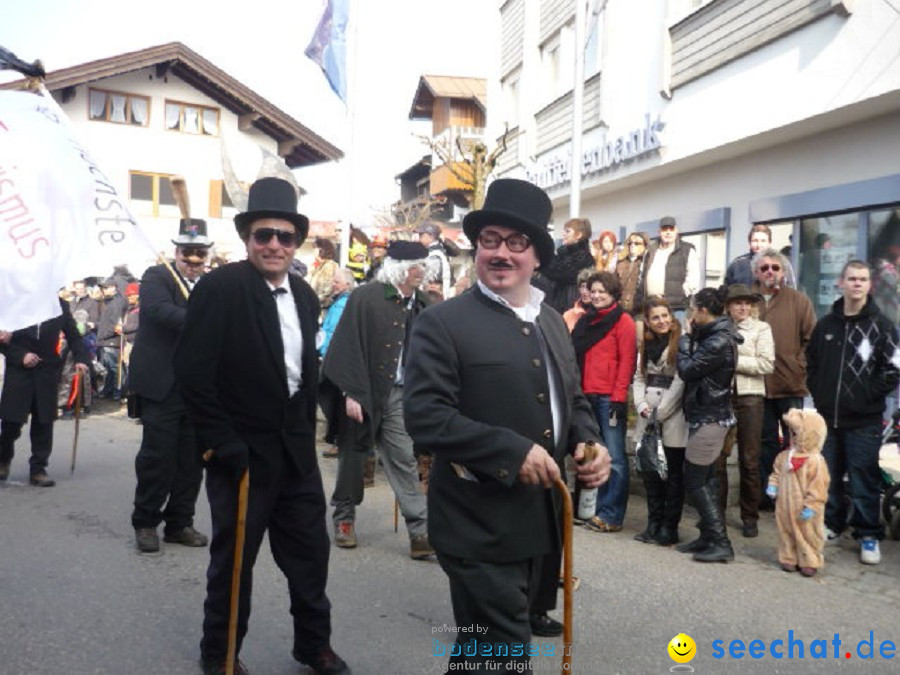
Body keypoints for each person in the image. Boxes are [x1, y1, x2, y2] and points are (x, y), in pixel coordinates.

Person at [404, 178, 610, 672]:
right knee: (503, 650)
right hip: (477, 523)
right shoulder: (442, 322)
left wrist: (589, 441)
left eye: (516, 243)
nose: (501, 253)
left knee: (481, 655)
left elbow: (573, 398)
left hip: (540, 521)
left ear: (537, 256)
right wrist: (509, 451)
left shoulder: (552, 322)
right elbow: (425, 416)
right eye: (490, 241)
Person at [174, 177, 351, 675]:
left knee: (311, 556)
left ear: (297, 243)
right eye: (263, 235)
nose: (274, 244)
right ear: (248, 238)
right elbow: (193, 373)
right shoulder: (219, 288)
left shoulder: (303, 294)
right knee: (234, 563)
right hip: (241, 453)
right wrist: (221, 442)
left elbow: (301, 373)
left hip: (296, 451)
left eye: (285, 236)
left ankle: (313, 644)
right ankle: (222, 653)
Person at [321, 241, 432, 559]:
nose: (421, 272)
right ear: (399, 268)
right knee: (353, 458)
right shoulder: (365, 297)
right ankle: (344, 519)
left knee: (403, 458)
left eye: (423, 266)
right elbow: (346, 345)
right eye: (416, 266)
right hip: (363, 391)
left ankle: (419, 530)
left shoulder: (422, 303)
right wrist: (352, 392)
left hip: (398, 394)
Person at [806, 260, 900, 565]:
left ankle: (868, 534)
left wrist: (866, 396)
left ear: (869, 285)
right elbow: (812, 363)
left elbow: (894, 367)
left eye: (862, 279)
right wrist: (819, 394)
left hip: (864, 421)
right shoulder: (826, 325)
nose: (857, 284)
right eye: (852, 278)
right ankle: (833, 523)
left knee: (863, 479)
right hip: (828, 419)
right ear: (841, 283)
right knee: (830, 477)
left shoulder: (883, 326)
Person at [129, 219, 213, 554]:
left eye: (199, 255)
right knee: (157, 458)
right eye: (186, 254)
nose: (192, 262)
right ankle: (146, 522)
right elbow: (159, 312)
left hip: (197, 389)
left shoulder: (209, 284)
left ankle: (179, 523)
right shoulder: (156, 276)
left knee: (192, 462)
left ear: (206, 256)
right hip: (161, 385)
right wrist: (207, 321)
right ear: (175, 252)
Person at [675, 286, 739, 563]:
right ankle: (707, 536)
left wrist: (685, 338)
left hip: (712, 417)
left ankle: (721, 542)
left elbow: (687, 370)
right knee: (707, 478)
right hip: (706, 414)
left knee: (695, 479)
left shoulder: (718, 341)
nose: (690, 314)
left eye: (692, 309)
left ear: (702, 310)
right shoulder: (714, 335)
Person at [572, 270, 637, 533]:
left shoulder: (623, 321)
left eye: (603, 292)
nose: (597, 295)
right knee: (589, 457)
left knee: (615, 458)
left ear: (613, 295)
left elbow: (627, 362)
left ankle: (611, 514)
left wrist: (618, 398)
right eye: (594, 290)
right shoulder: (585, 321)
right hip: (585, 395)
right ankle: (591, 509)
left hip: (609, 397)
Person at [751, 248, 817, 509]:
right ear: (756, 271)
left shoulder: (799, 301)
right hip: (758, 385)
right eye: (765, 267)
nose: (770, 272)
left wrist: (799, 364)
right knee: (765, 442)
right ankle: (768, 496)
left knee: (796, 442)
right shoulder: (747, 300)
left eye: (775, 267)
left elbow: (811, 340)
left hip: (790, 384)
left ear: (783, 271)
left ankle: (795, 495)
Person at [0, 299, 89, 486]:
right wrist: (20, 355)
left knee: (44, 420)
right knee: (11, 422)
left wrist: (82, 359)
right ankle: (3, 460)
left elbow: (73, 336)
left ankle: (38, 468)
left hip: (47, 370)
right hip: (19, 371)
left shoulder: (59, 305)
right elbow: (2, 341)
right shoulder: (15, 301)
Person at [715, 284, 774, 538]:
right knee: (717, 459)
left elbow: (766, 363)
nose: (742, 307)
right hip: (722, 397)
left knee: (749, 460)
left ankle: (749, 516)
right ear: (728, 306)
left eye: (747, 303)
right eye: (737, 303)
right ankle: (715, 514)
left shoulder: (761, 328)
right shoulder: (720, 326)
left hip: (750, 397)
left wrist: (734, 360)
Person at [632, 296, 687, 546]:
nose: (661, 321)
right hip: (648, 413)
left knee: (673, 475)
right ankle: (653, 523)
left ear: (672, 318)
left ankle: (669, 527)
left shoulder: (682, 343)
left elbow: (680, 380)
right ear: (648, 322)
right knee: (650, 471)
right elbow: (638, 377)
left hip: (672, 414)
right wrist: (641, 405)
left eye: (665, 316)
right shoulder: (645, 344)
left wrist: (661, 411)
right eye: (656, 317)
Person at [766, 408, 830, 577]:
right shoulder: (784, 456)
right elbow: (776, 473)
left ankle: (809, 560)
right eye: (791, 434)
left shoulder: (815, 461)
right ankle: (788, 557)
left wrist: (812, 504)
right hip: (784, 505)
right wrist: (773, 485)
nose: (793, 438)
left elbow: (819, 487)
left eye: (797, 434)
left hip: (804, 508)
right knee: (785, 531)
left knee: (807, 534)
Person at [635, 216, 700, 323]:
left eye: (671, 229)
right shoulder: (650, 250)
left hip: (677, 309)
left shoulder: (687, 250)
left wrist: (682, 293)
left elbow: (693, 277)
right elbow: (642, 275)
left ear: (676, 231)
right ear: (659, 231)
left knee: (676, 338)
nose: (668, 233)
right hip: (652, 307)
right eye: (665, 229)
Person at [532, 217, 594, 314]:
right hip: (557, 304)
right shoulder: (563, 255)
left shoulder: (584, 258)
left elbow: (558, 273)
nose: (563, 234)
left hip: (572, 308)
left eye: (567, 231)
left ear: (578, 235)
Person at [725, 224, 796, 288]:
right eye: (755, 241)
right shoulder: (737, 264)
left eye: (763, 241)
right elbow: (727, 292)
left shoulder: (781, 263)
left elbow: (790, 289)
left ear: (769, 243)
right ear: (749, 243)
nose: (759, 245)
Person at [96, 278, 128, 400]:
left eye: (105, 287)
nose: (103, 290)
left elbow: (116, 324)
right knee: (108, 368)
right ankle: (108, 390)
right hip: (106, 340)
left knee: (115, 368)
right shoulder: (109, 302)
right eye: (102, 288)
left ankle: (118, 391)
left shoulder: (117, 302)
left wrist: (105, 334)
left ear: (113, 287)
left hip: (111, 340)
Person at [417, 221, 453, 300]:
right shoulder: (437, 251)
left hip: (434, 296)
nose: (419, 238)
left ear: (431, 236)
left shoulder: (434, 254)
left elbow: (431, 279)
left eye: (421, 235)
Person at [616, 231, 649, 315]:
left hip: (640, 309)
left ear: (645, 245)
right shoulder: (620, 263)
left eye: (637, 243)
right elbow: (615, 285)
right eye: (630, 243)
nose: (632, 245)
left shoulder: (647, 263)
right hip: (621, 308)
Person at [308, 238, 339, 308]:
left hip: (323, 309)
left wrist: (313, 300)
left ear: (321, 250)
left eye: (315, 248)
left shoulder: (329, 266)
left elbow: (327, 291)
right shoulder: (318, 266)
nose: (313, 251)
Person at [562, 268, 593, 332]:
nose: (584, 291)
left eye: (589, 287)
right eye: (582, 287)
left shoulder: (604, 315)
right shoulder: (568, 316)